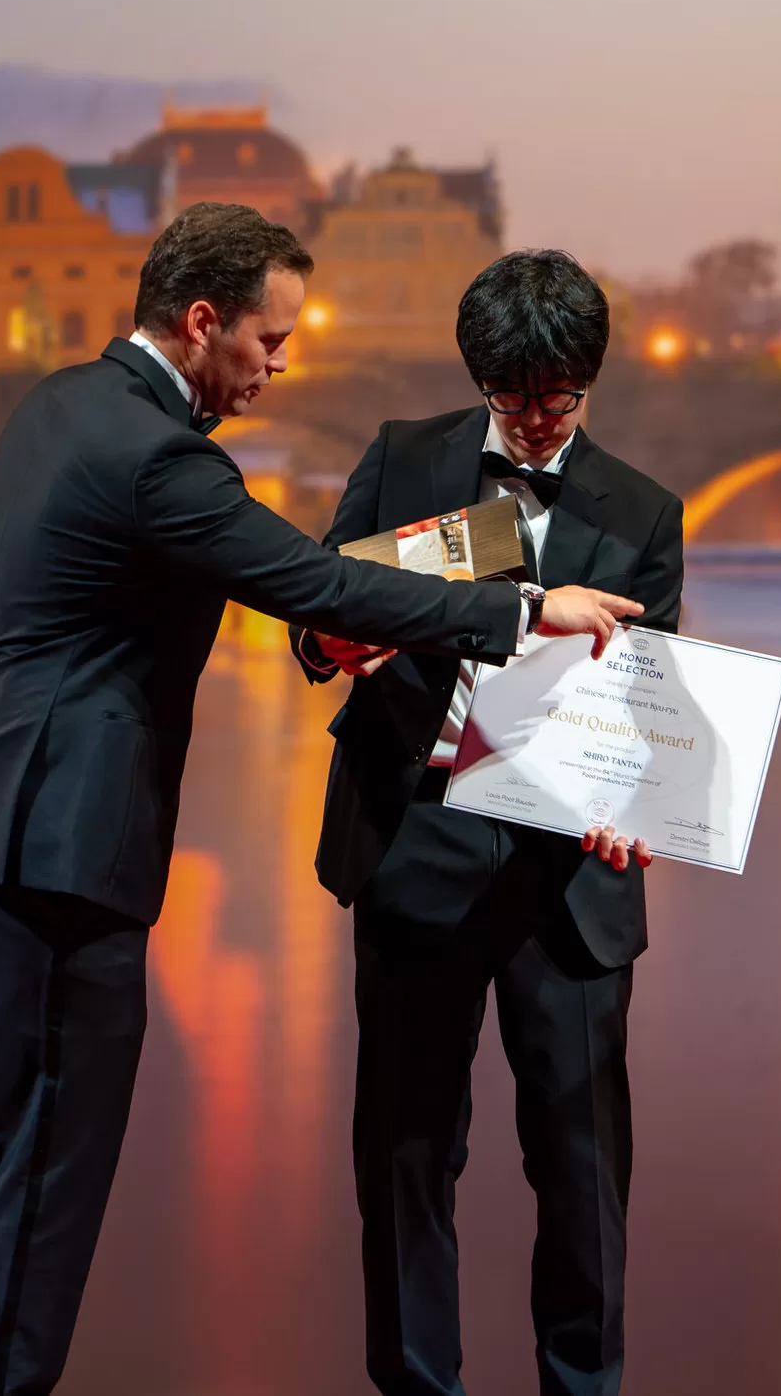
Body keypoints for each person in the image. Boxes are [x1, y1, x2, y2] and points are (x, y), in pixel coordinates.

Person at [0, 204, 644, 1396]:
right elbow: (304, 578)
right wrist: (520, 607)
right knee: (41, 1176)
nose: (281, 361)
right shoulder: (163, 459)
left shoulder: (54, 402)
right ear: (203, 321)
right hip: (58, 847)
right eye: (269, 336)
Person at [293, 250, 686, 1396]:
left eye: (556, 400)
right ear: (480, 380)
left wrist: (635, 801)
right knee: (408, 1153)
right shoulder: (402, 456)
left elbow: (647, 697)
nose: (530, 424)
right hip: (416, 841)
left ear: (586, 382)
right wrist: (332, 642)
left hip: (569, 876)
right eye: (510, 399)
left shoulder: (643, 509)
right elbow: (316, 617)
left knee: (582, 1166)